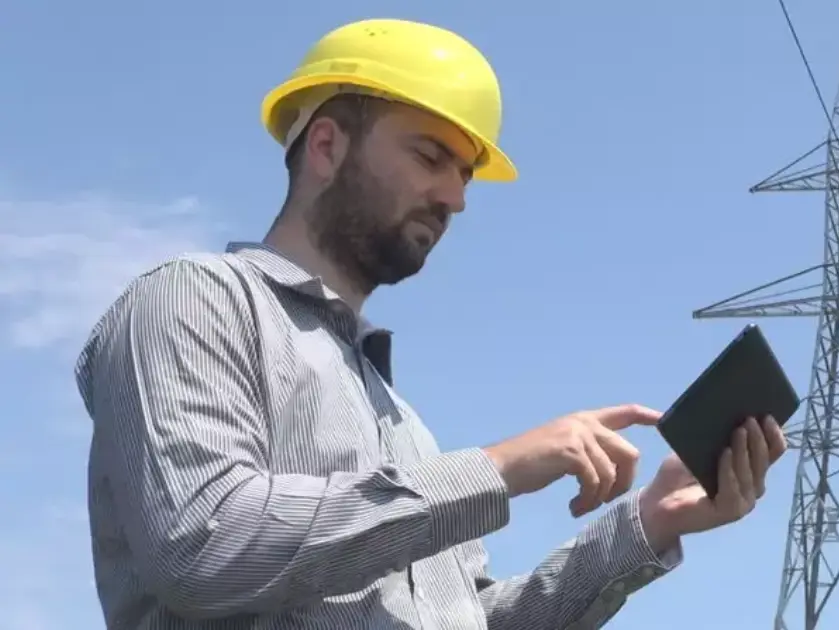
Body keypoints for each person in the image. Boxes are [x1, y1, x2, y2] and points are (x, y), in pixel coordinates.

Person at [75, 18, 787, 630]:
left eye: (466, 174)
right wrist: (499, 468)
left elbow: (468, 617)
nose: (455, 197)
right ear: (325, 147)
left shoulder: (403, 422)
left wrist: (652, 521)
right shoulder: (192, 300)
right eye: (429, 156)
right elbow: (201, 545)